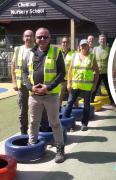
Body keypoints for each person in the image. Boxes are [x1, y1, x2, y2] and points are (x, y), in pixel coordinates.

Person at [23, 27, 66, 163]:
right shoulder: (30, 53)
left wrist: (48, 87)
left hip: (51, 95)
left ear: (50, 38)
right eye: (39, 37)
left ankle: (60, 149)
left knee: (55, 123)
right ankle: (32, 145)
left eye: (45, 37)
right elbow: (24, 72)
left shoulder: (56, 51)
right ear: (36, 38)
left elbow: (61, 73)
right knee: (33, 122)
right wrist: (31, 87)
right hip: (34, 95)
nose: (42, 39)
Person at [64, 39, 99, 131]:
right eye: (82, 45)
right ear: (79, 47)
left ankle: (84, 123)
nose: (84, 47)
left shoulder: (92, 57)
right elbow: (70, 71)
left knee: (86, 105)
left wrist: (95, 85)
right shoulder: (75, 56)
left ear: (88, 47)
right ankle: (65, 121)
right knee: (69, 103)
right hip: (75, 85)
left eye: (85, 45)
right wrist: (68, 83)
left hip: (87, 87)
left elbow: (97, 72)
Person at [11, 29, 34, 135]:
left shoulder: (38, 49)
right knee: (23, 111)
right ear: (23, 38)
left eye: (30, 36)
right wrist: (14, 82)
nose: (28, 38)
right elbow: (13, 66)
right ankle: (23, 132)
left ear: (33, 37)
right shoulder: (18, 50)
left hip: (34, 85)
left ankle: (36, 132)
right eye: (26, 36)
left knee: (36, 111)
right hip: (22, 85)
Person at [91, 34, 116, 111]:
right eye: (101, 39)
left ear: (105, 41)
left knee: (109, 89)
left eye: (103, 39)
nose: (102, 41)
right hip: (97, 72)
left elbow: (113, 61)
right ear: (99, 41)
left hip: (106, 72)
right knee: (94, 88)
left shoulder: (109, 49)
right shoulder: (95, 49)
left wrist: (113, 70)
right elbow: (92, 60)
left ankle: (113, 104)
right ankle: (90, 102)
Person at [59, 36, 74, 109]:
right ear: (61, 43)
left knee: (73, 96)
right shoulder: (58, 53)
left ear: (69, 43)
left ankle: (76, 111)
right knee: (59, 97)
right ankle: (58, 111)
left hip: (70, 79)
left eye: (67, 42)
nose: (65, 44)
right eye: (63, 42)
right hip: (60, 79)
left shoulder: (74, 54)